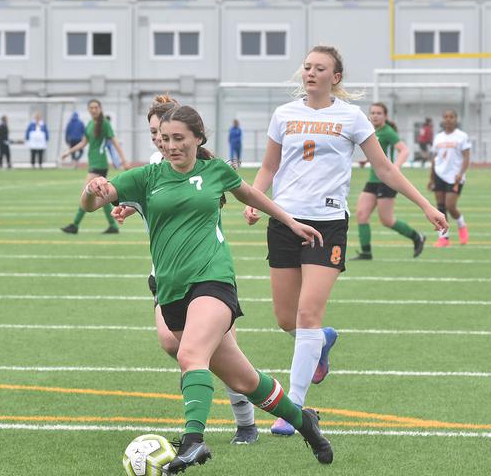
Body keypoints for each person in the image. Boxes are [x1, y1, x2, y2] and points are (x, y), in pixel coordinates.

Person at [82, 105, 334, 472]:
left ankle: (193, 441)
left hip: (213, 278)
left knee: (190, 356)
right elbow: (91, 205)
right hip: (170, 289)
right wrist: (92, 192)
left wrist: (290, 221)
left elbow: (250, 194)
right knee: (245, 380)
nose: (171, 146)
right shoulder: (146, 177)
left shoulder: (215, 171)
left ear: (198, 138)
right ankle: (303, 420)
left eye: (179, 139)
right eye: (165, 139)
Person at [243, 46, 446, 436]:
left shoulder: (351, 117)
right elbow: (269, 166)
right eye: (307, 67)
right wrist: (255, 200)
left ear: (336, 77)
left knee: (306, 316)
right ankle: (322, 342)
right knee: (285, 318)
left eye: (320, 68)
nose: (311, 73)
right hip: (284, 220)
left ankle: (295, 408)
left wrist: (424, 206)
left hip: (329, 224)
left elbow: (385, 168)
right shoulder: (284, 114)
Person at [112, 95, 259, 445]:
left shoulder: (197, 163)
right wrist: (128, 207)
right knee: (174, 343)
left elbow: (199, 192)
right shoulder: (155, 163)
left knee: (211, 351)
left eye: (162, 133)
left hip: (205, 269)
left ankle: (244, 422)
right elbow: (152, 193)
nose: (159, 141)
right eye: (154, 134)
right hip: (164, 272)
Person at [351, 102, 425, 261]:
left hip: (386, 181)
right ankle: (366, 252)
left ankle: (416, 236)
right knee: (361, 214)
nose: (375, 115)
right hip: (372, 180)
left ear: (385, 116)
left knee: (387, 220)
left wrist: (396, 167)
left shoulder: (388, 132)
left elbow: (404, 150)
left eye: (379, 113)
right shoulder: (372, 131)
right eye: (373, 113)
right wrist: (366, 160)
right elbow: (379, 154)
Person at [59, 99, 128, 234]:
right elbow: (84, 142)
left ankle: (75, 225)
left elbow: (114, 142)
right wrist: (69, 152)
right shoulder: (90, 124)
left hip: (100, 164)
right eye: (91, 107)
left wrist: (123, 160)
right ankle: (113, 226)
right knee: (100, 195)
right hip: (93, 163)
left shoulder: (105, 124)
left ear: (100, 108)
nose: (94, 110)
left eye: (96, 107)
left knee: (87, 192)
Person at [429, 109, 471, 248]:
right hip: (439, 174)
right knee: (440, 208)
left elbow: (466, 157)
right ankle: (443, 237)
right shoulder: (438, 137)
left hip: (454, 176)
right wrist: (431, 178)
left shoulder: (462, 136)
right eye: (446, 117)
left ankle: (462, 225)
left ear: (456, 119)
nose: (448, 119)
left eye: (451, 117)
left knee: (450, 206)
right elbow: (435, 159)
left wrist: (461, 173)